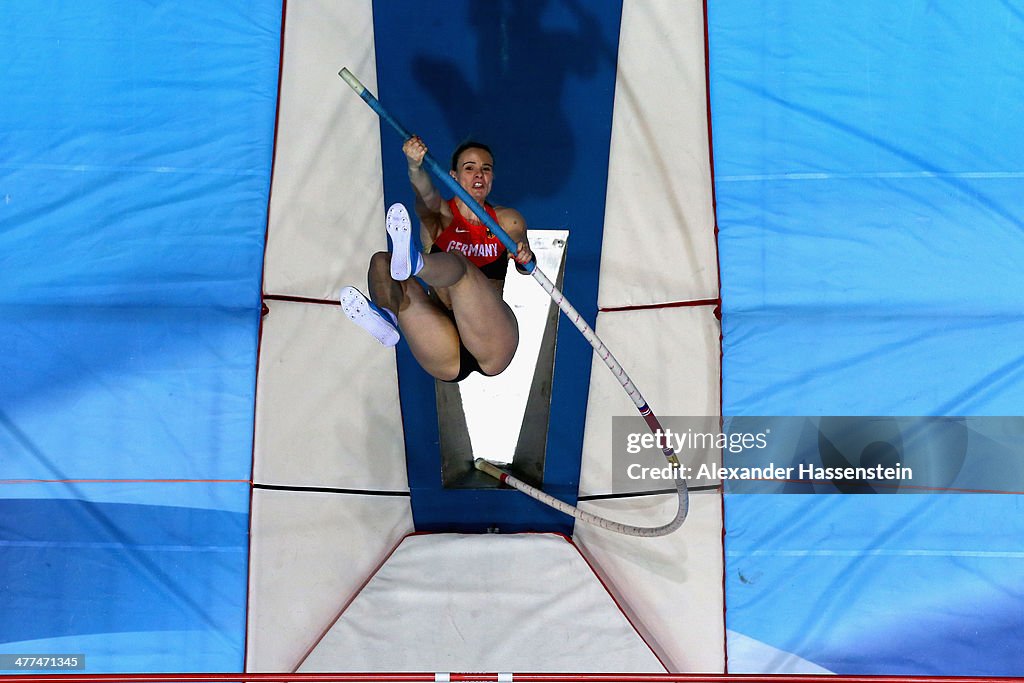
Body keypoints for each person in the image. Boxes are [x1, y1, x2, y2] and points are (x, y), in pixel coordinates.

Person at [340, 137, 533, 383]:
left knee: (460, 266)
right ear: (453, 175)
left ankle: (415, 262)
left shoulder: (506, 219)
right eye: (470, 167)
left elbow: (522, 254)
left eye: (486, 169)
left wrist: (523, 254)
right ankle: (387, 316)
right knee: (381, 262)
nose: (479, 175)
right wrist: (414, 166)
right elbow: (426, 193)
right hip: (442, 345)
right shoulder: (439, 217)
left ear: (492, 178)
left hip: (492, 342)